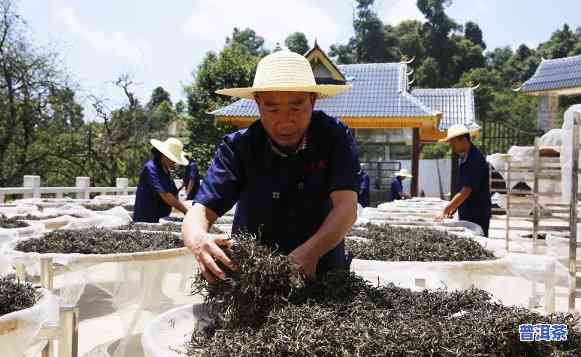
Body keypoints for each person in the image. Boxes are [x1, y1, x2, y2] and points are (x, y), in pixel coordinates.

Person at [182, 50, 360, 282]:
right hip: (253, 274)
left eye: (296, 107)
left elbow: (347, 207)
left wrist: (310, 252)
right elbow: (201, 210)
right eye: (272, 109)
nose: (285, 121)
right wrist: (197, 238)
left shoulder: (334, 138)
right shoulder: (239, 147)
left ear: (312, 100)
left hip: (321, 268)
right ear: (257, 103)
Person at [436, 124, 491, 237]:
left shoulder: (474, 158)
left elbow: (466, 191)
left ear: (463, 139)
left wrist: (445, 210)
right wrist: (454, 207)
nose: (452, 146)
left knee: (477, 243)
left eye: (453, 142)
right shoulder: (465, 157)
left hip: (477, 213)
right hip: (468, 210)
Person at [133, 138, 190, 223]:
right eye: (173, 159)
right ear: (164, 155)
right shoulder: (151, 168)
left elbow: (173, 194)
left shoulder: (165, 170)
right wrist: (186, 211)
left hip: (160, 218)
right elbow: (165, 195)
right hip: (146, 220)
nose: (174, 162)